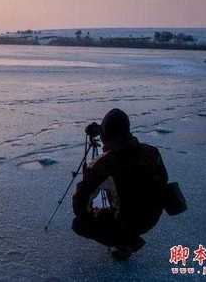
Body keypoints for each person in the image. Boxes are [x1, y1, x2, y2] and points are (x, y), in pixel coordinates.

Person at [71, 108, 168, 260]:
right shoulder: (152, 152)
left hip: (128, 221)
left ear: (106, 136)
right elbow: (164, 180)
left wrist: (93, 213)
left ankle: (126, 242)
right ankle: (128, 234)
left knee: (79, 224)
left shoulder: (104, 164)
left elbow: (79, 202)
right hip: (151, 217)